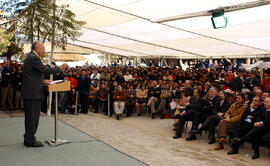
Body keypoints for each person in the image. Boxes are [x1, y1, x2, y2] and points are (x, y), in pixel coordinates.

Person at [22, 41, 62, 147]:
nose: (44, 50)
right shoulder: (33, 58)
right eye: (43, 48)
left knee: (31, 117)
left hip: (31, 92)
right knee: (32, 118)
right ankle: (30, 140)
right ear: (36, 48)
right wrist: (59, 69)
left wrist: (42, 81)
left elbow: (33, 75)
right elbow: (44, 69)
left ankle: (29, 137)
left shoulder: (31, 57)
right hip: (32, 93)